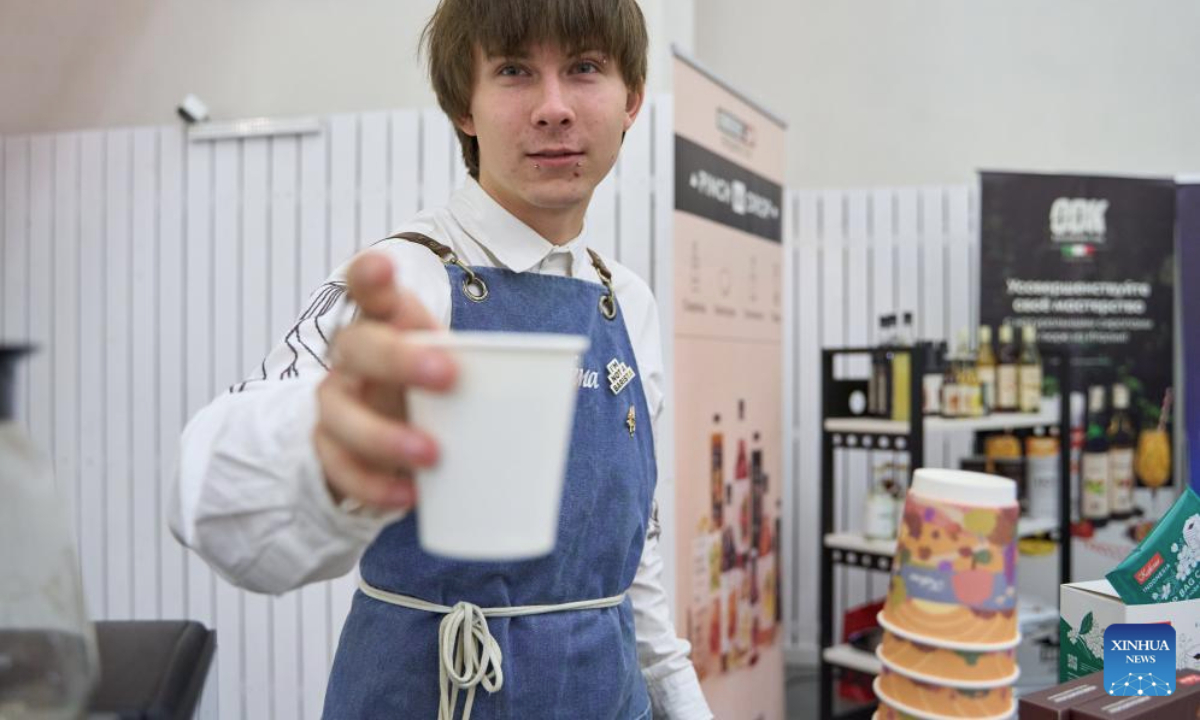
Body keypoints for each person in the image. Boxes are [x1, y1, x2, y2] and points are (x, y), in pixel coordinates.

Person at [170, 0, 713, 718]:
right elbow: (205, 491)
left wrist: (681, 699)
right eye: (515, 71)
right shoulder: (407, 281)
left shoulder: (628, 301)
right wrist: (321, 448)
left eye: (584, 68)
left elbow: (632, 554)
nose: (553, 108)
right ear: (464, 103)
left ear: (632, 100)